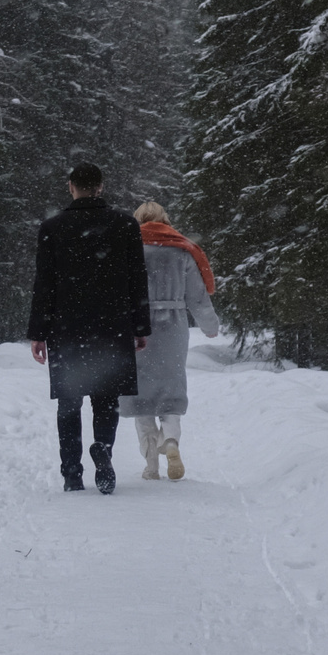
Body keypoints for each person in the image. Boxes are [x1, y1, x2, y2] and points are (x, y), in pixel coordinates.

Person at [28, 162, 150, 493]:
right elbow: (137, 280)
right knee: (106, 398)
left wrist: (38, 332)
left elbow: (45, 284)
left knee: (69, 402)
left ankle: (71, 472)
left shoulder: (53, 227)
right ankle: (104, 453)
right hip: (112, 323)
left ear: (71, 186)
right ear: (100, 186)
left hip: (66, 326)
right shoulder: (125, 225)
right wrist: (140, 326)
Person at [123, 202, 221, 479]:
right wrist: (210, 325)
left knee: (140, 392)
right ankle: (171, 439)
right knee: (170, 386)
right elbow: (198, 296)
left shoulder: (130, 249)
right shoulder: (182, 250)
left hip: (137, 326)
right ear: (165, 220)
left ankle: (151, 463)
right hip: (173, 325)